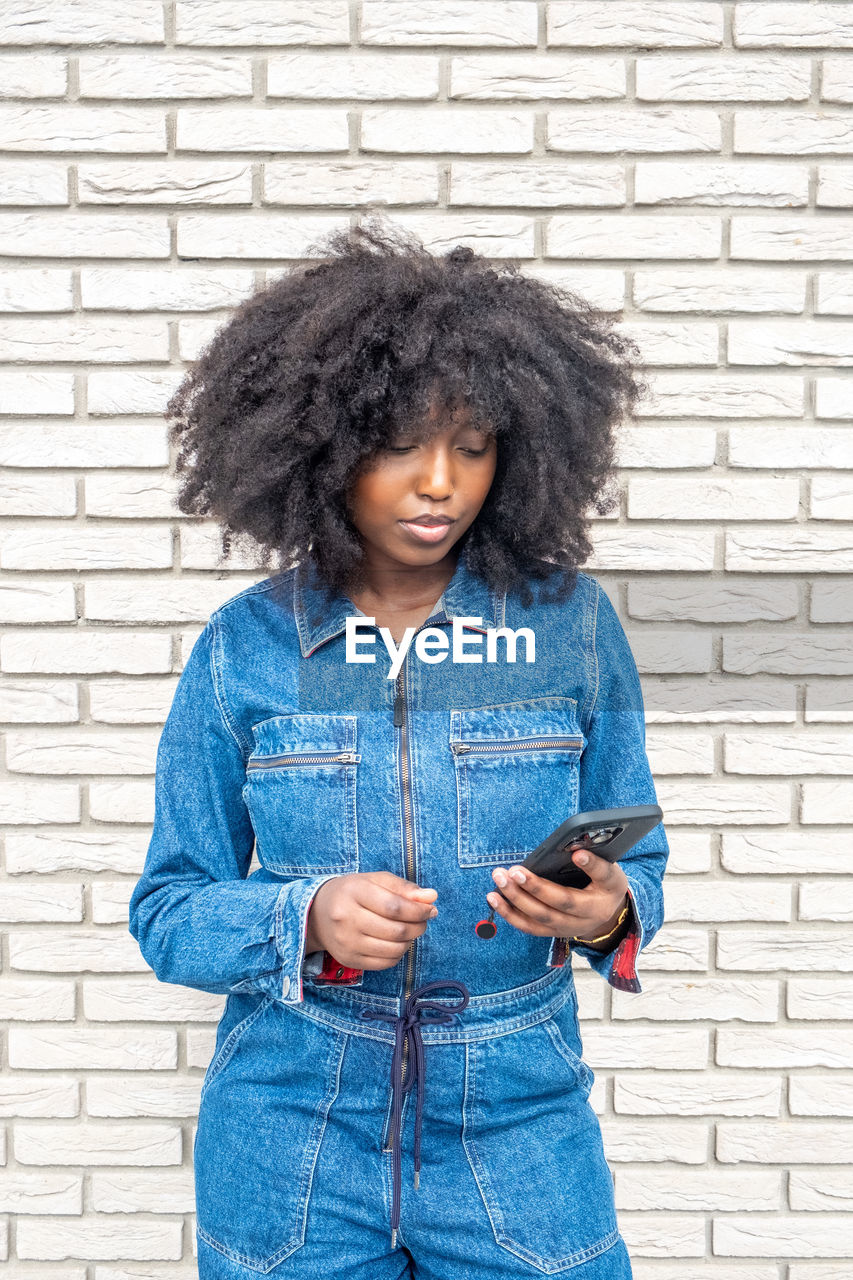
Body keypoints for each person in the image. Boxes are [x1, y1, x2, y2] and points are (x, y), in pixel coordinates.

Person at [128, 220, 669, 1280]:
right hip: (293, 1118)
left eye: (472, 446)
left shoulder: (568, 630)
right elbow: (170, 907)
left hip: (518, 1118)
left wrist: (604, 910)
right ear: (321, 446)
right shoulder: (249, 647)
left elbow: (633, 859)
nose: (439, 482)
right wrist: (305, 914)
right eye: (398, 444)